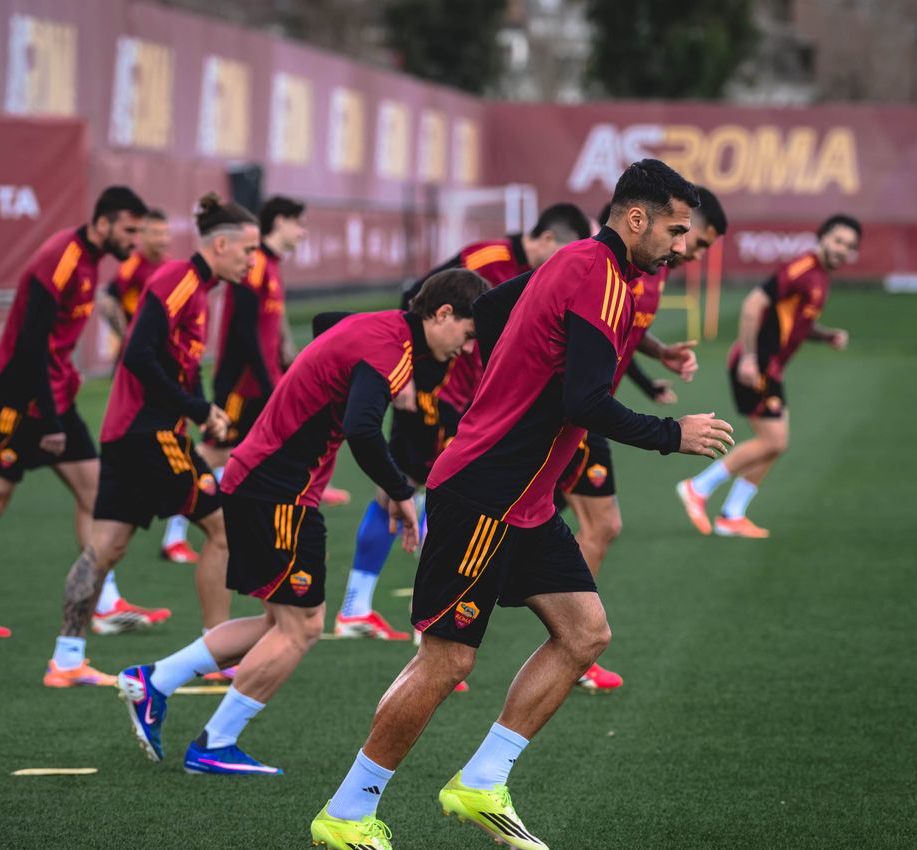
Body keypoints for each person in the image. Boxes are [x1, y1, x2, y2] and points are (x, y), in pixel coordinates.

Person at [309, 160, 735, 850]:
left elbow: (494, 310)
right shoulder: (596, 274)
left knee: (584, 633)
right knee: (446, 662)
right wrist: (669, 436)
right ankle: (348, 812)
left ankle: (481, 781)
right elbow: (585, 401)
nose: (682, 245)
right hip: (486, 491)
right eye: (676, 229)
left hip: (526, 500)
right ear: (636, 219)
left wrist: (510, 376)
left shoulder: (583, 265)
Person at [116, 270, 488, 775]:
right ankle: (213, 744)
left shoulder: (383, 328)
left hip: (263, 482)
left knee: (279, 622)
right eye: (467, 335)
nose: (467, 351)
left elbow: (323, 323)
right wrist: (401, 492)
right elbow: (361, 428)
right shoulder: (389, 350)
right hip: (279, 493)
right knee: (302, 628)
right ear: (442, 315)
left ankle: (153, 681)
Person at [334, 202, 590, 640]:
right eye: (565, 253)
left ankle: (395, 611)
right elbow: (421, 298)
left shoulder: (545, 278)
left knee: (444, 492)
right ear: (547, 240)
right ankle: (364, 608)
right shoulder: (486, 258)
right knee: (412, 489)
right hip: (439, 392)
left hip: (481, 400)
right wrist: (410, 373)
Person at [42, 193, 256, 687]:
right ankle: (214, 655)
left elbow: (179, 364)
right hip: (148, 435)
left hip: (131, 434)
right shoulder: (181, 280)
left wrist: (203, 415)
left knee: (106, 547)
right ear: (220, 245)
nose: (251, 261)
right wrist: (196, 409)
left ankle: (66, 659)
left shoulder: (198, 289)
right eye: (247, 251)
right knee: (224, 529)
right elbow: (138, 354)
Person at [0, 186, 162, 639]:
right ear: (103, 224)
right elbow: (30, 345)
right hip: (17, 401)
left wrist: (57, 408)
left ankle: (103, 601)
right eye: (129, 229)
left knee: (96, 494)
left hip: (55, 397)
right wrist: (46, 419)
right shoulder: (59, 258)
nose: (135, 240)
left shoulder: (89, 259)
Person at [554, 190, 729, 692]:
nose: (691, 251)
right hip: (575, 413)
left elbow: (624, 333)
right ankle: (572, 645)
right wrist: (670, 434)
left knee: (580, 521)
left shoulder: (652, 269)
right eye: (689, 237)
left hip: (586, 415)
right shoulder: (607, 267)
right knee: (585, 522)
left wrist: (658, 358)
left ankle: (573, 644)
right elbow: (594, 332)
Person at [678, 213, 860, 538]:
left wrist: (825, 335)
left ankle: (732, 515)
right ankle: (698, 487)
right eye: (837, 240)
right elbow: (752, 305)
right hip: (757, 363)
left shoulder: (820, 277)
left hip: (770, 366)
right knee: (773, 440)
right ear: (822, 237)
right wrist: (749, 359)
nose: (841, 249)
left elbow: (796, 323)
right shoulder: (801, 269)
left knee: (775, 444)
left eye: (848, 246)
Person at [159, 196, 309, 565]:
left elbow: (268, 325)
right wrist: (266, 380)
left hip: (263, 380)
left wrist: (282, 362)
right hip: (243, 384)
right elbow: (243, 329)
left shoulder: (268, 265)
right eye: (297, 223)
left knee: (257, 456)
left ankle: (247, 528)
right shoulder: (254, 265)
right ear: (280, 222)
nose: (302, 231)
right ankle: (174, 535)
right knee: (214, 451)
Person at [98, 208, 171, 339]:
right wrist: (128, 336)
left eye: (165, 233)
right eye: (156, 233)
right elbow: (109, 298)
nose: (162, 239)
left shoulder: (170, 266)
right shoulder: (132, 264)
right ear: (142, 235)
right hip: (134, 334)